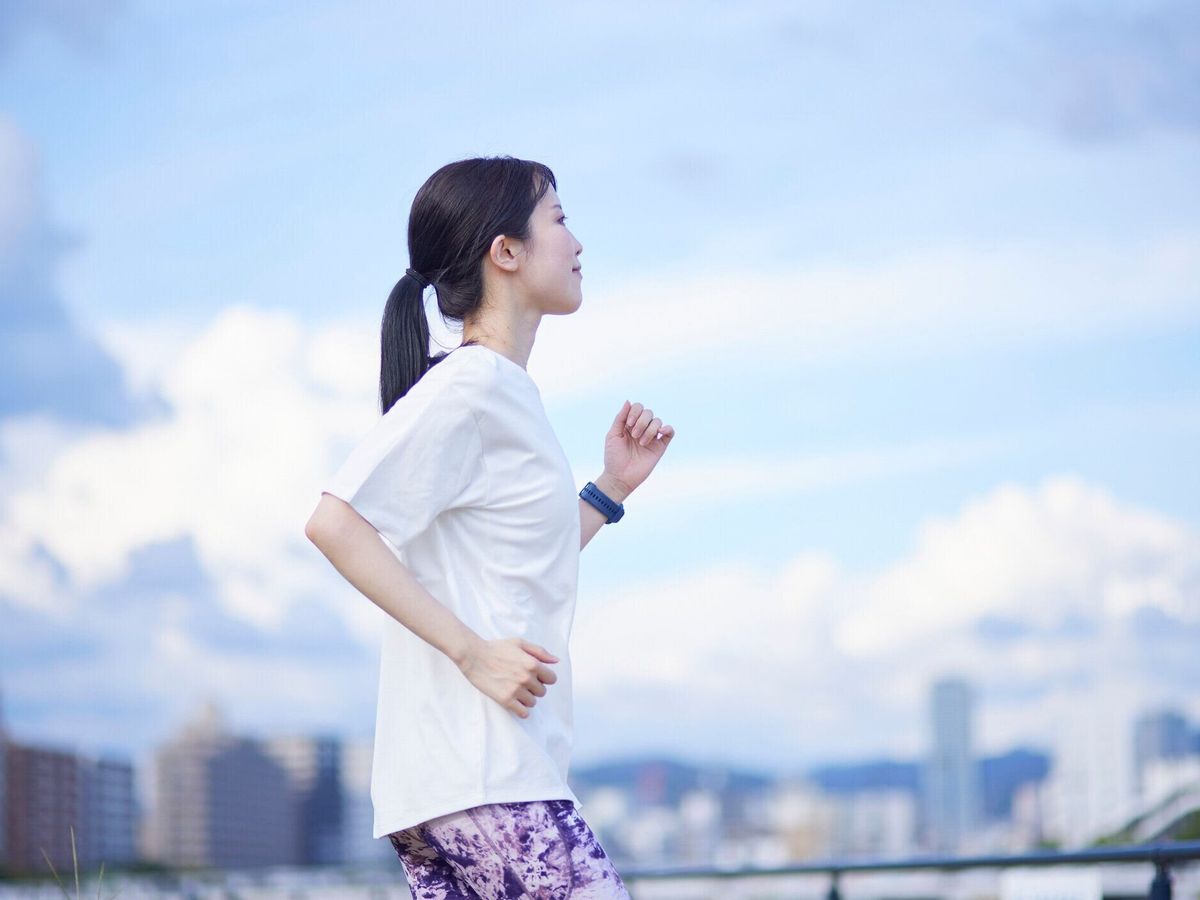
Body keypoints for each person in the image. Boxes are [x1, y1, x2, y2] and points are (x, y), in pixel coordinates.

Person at [305, 156, 675, 898]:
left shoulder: (500, 394)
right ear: (505, 252)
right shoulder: (471, 387)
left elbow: (519, 559)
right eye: (560, 220)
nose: (577, 244)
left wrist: (607, 491)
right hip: (486, 774)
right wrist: (472, 654)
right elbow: (334, 523)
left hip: (457, 783)